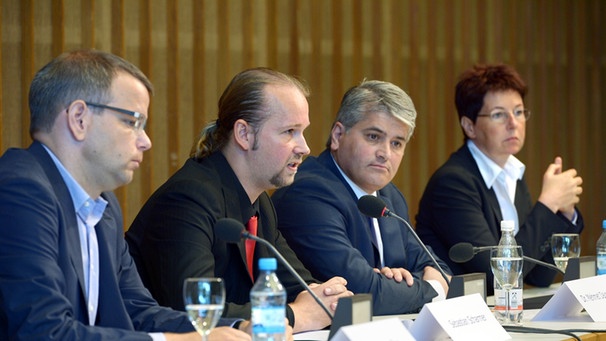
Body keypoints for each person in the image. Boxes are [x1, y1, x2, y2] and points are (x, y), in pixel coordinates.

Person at [0, 49, 252, 340]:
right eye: (133, 122)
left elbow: (137, 311)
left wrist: (234, 328)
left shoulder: (103, 206)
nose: (146, 141)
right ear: (79, 118)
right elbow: (42, 331)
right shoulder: (20, 192)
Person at [126, 67, 352, 334]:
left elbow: (299, 286)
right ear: (244, 134)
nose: (304, 147)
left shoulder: (261, 203)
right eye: (289, 131)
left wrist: (327, 296)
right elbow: (196, 312)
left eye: (302, 131)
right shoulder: (187, 199)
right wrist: (295, 315)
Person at [271, 80, 451, 315]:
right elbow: (365, 293)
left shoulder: (389, 197)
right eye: (374, 137)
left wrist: (399, 283)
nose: (385, 153)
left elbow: (438, 267)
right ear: (337, 135)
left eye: (397, 143)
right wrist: (433, 288)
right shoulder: (306, 194)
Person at [415, 63, 584, 293]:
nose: (513, 123)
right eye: (498, 115)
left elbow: (540, 275)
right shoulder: (453, 183)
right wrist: (548, 204)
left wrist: (563, 212)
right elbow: (498, 275)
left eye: (518, 112)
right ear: (469, 126)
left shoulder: (512, 174)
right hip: (460, 317)